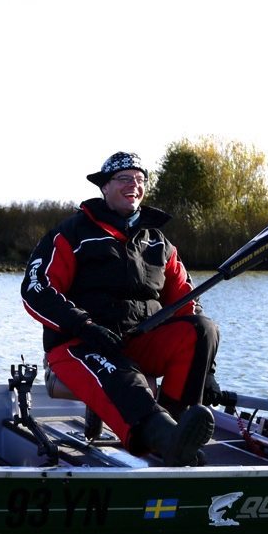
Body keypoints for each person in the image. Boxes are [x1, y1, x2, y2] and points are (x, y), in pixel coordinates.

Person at [20, 152, 219, 466]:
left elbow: (186, 302)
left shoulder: (160, 243)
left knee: (203, 330)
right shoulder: (72, 233)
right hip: (79, 343)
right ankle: (163, 437)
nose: (133, 185)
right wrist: (85, 326)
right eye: (124, 178)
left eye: (139, 179)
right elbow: (36, 289)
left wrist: (208, 371)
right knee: (123, 377)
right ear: (104, 187)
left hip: (138, 341)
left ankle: (177, 430)